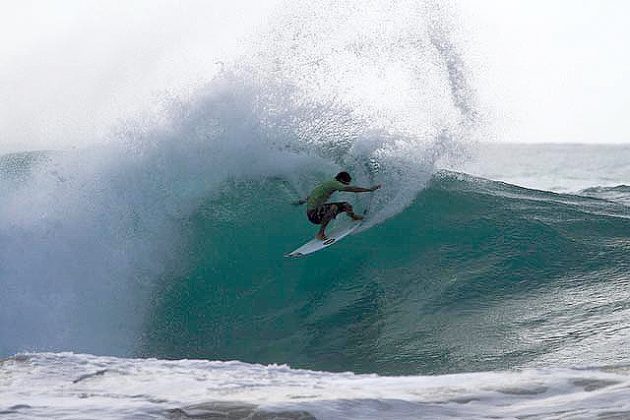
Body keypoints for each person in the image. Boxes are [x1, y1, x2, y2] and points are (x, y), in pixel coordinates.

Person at [293, 171, 381, 240]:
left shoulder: (330, 183)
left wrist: (302, 201)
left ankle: (353, 217)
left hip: (317, 209)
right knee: (333, 208)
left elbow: (313, 195)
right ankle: (320, 233)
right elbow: (351, 189)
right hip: (313, 215)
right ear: (342, 180)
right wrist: (369, 189)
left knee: (347, 205)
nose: (347, 184)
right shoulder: (334, 183)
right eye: (346, 182)